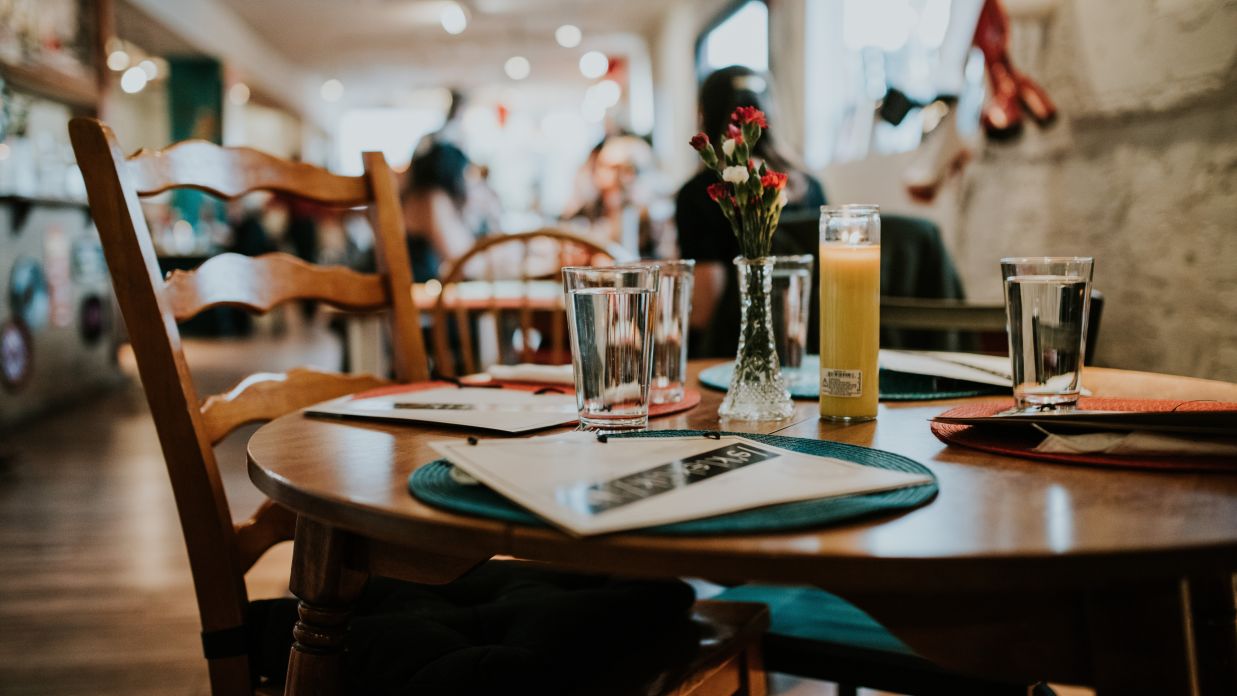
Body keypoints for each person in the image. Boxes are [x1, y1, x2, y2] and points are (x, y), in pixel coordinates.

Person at [675, 65, 827, 357]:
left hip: (731, 361)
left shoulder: (700, 194)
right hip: (808, 352)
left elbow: (705, 310)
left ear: (704, 114)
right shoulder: (810, 186)